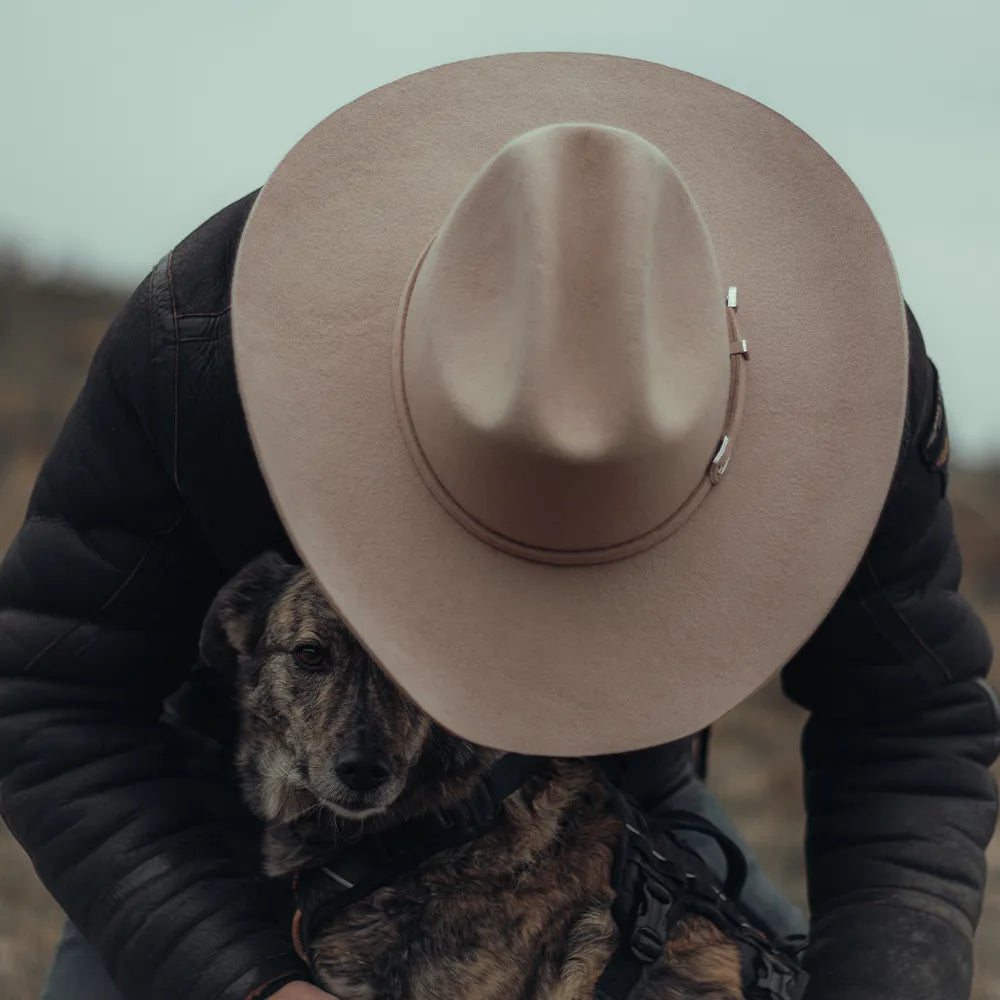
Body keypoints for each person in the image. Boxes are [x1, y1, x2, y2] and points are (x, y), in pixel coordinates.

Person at [0, 52, 997, 1000]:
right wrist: (241, 978)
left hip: (609, 800)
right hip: (235, 810)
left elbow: (907, 721)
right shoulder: (202, 352)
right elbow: (50, 693)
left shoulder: (853, 392)